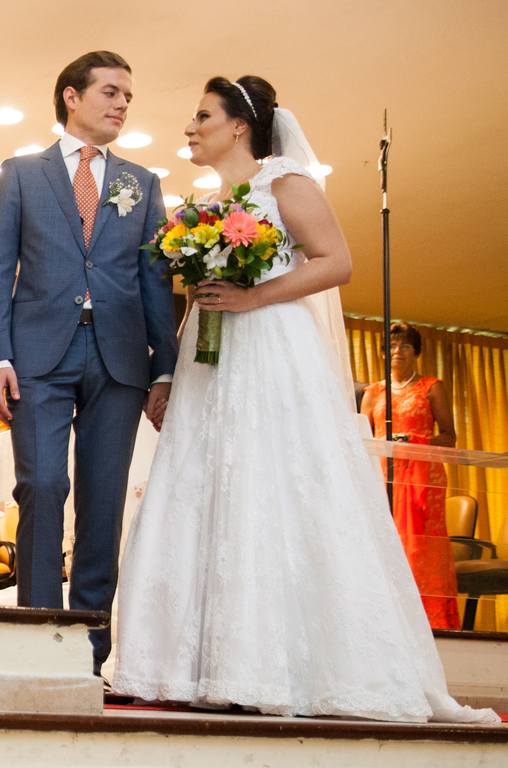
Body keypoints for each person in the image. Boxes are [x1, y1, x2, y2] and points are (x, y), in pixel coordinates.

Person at [113, 76, 498, 724]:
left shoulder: (285, 182)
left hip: (268, 345)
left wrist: (254, 296)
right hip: (216, 351)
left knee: (271, 484)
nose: (189, 126)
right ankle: (198, 663)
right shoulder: (218, 202)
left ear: (239, 125)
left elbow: (337, 260)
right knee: (207, 488)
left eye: (201, 114)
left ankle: (282, 665)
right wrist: (177, 368)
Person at [0, 51, 179, 679]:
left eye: (128, 97)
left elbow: (155, 281)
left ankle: (88, 655)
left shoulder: (141, 183)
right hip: (37, 355)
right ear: (71, 96)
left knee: (103, 500)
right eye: (111, 92)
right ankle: (38, 644)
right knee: (42, 487)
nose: (122, 104)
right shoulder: (20, 174)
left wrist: (166, 369)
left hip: (120, 360)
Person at [362, 323, 460, 629]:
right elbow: (360, 436)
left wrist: (414, 443)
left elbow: (449, 437)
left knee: (422, 550)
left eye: (404, 346)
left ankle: (428, 623)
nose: (397, 352)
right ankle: (386, 621)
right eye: (391, 346)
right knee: (381, 546)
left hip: (423, 483)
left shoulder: (431, 386)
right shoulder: (373, 391)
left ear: (416, 352)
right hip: (381, 481)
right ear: (382, 353)